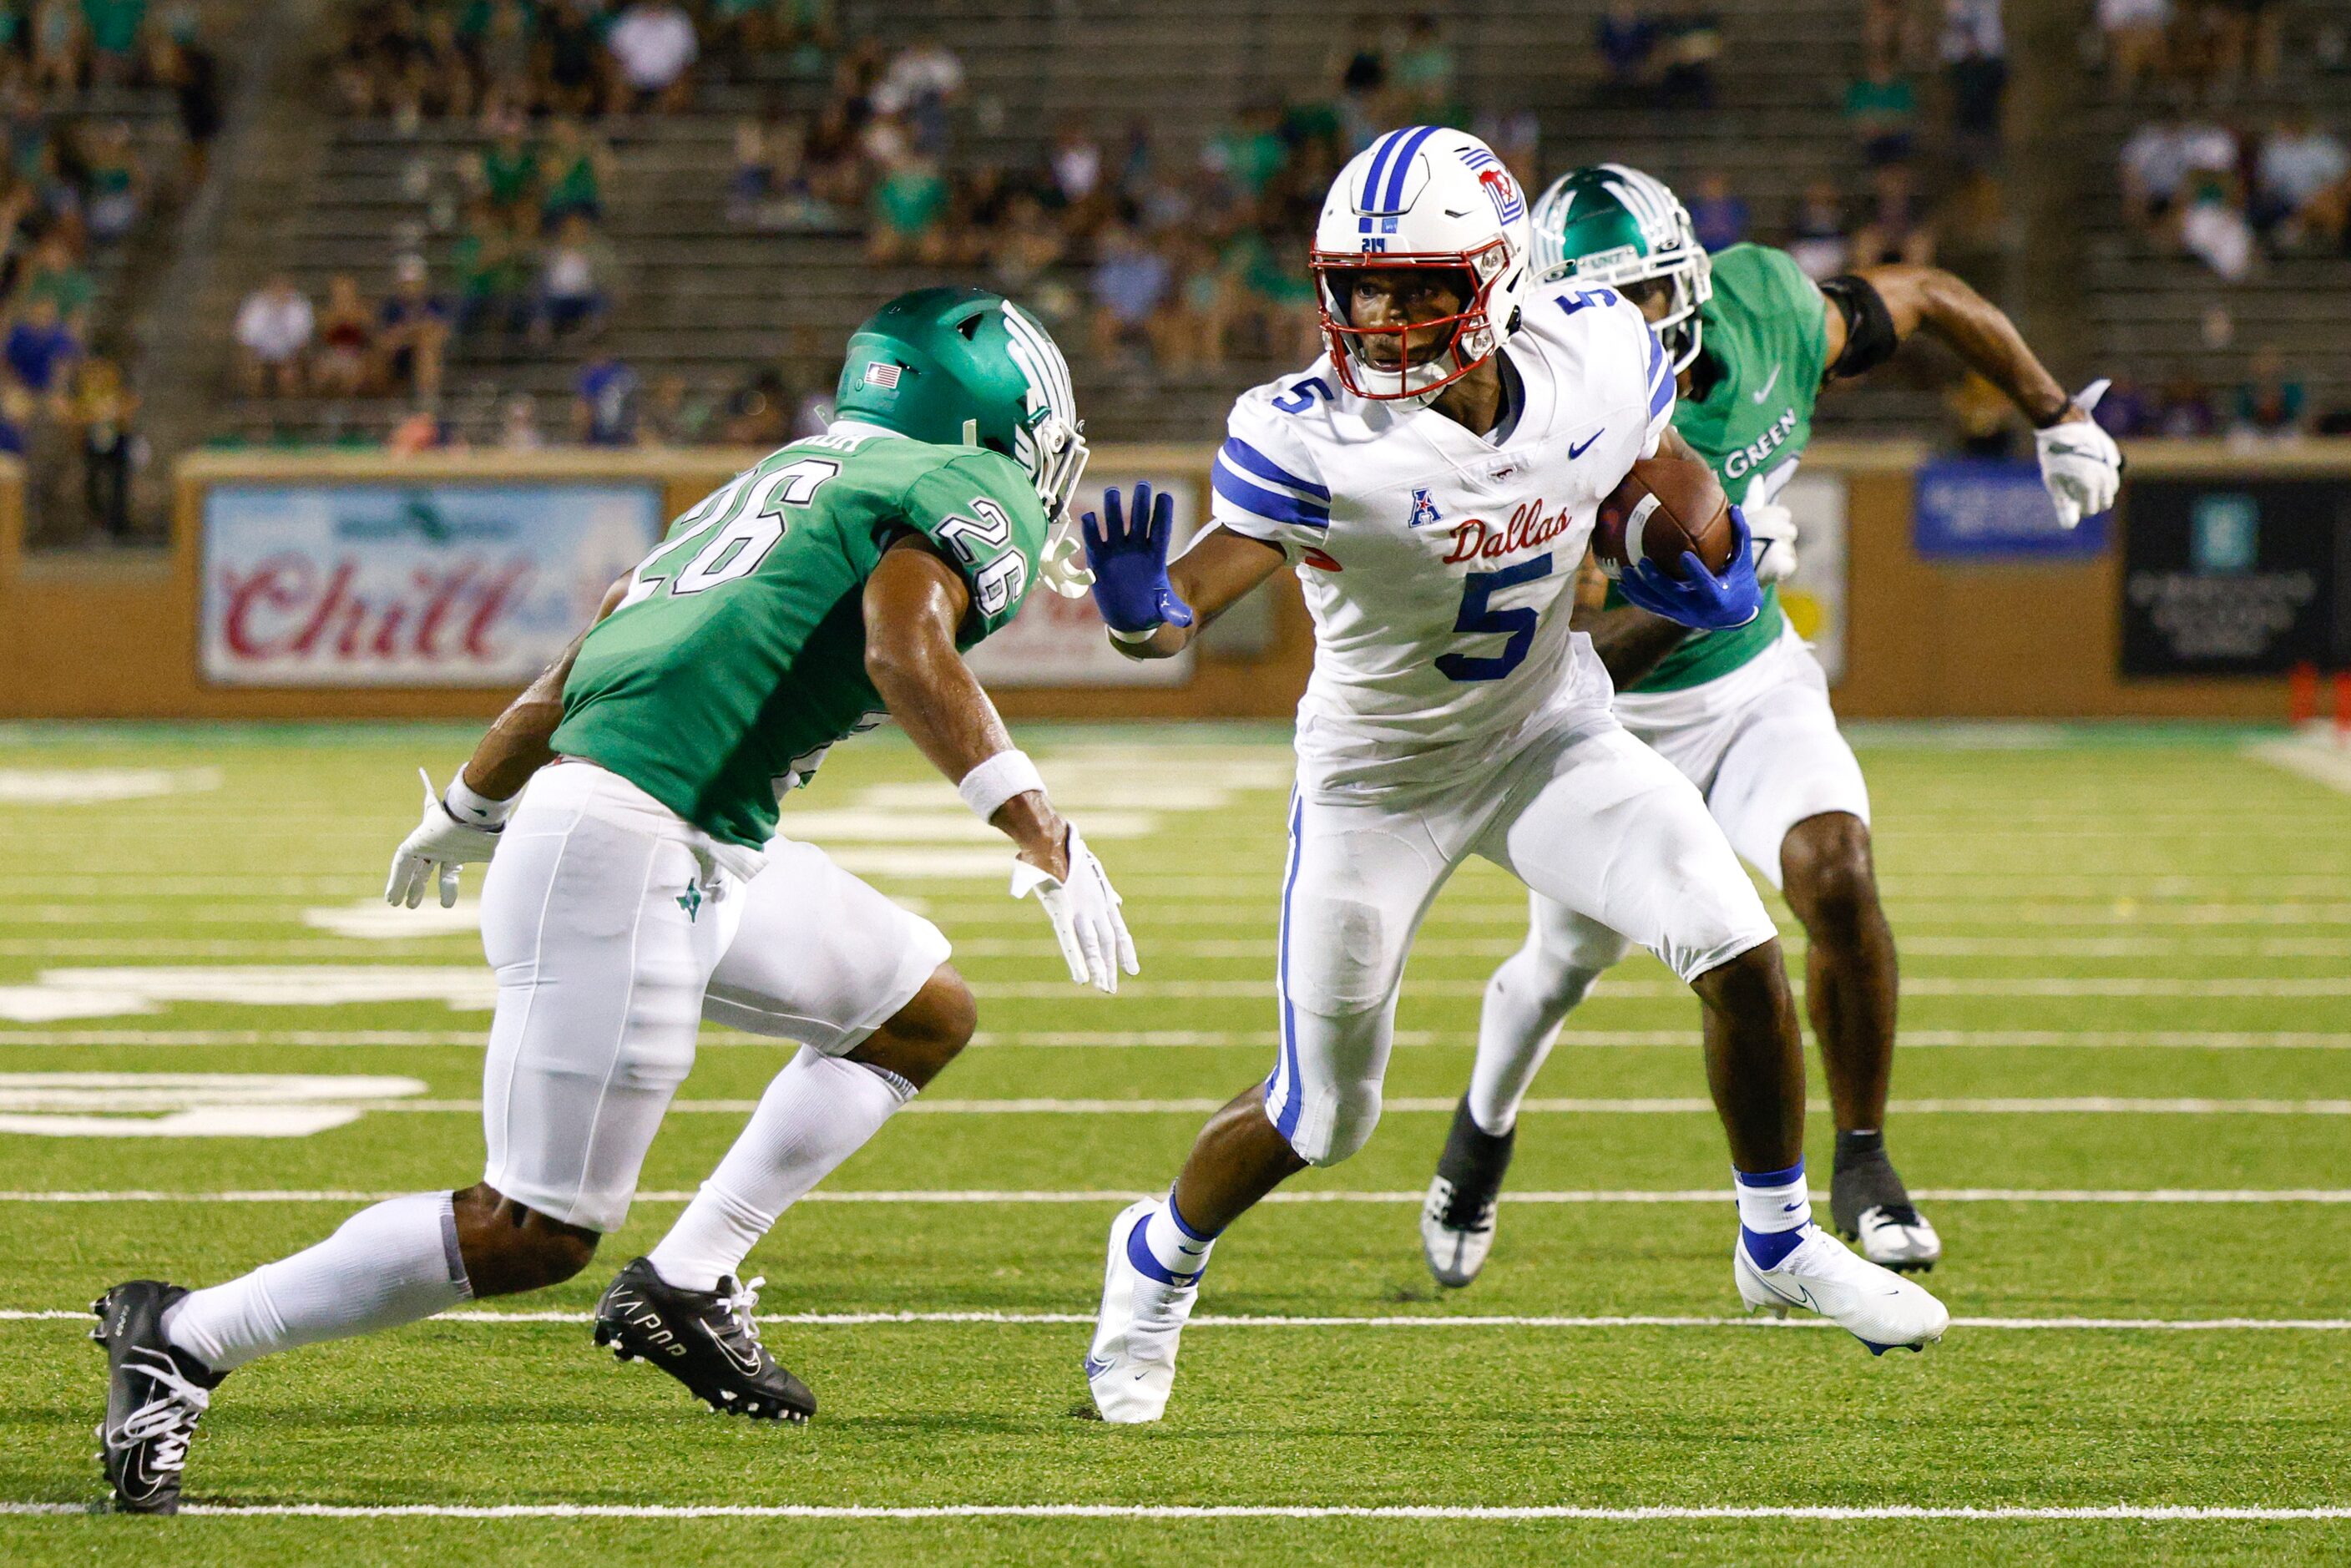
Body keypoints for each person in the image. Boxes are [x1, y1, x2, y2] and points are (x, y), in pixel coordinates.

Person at [91, 287, 1124, 1513]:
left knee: (918, 1010)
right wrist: (1036, 824)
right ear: (1004, 415)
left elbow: (578, 662)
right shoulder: (965, 487)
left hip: (676, 836)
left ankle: (688, 1279)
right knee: (532, 1228)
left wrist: (469, 805)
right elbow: (905, 649)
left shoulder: (786, 476)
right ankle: (188, 1335)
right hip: (635, 848)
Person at [1077, 128, 1950, 1428]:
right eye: (1359, 286)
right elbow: (1182, 609)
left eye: (1416, 286)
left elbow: (1662, 475)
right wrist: (1139, 613)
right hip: (1379, 783)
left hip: (1550, 732)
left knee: (1741, 952)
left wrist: (1703, 551)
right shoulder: (1308, 433)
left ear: (1493, 279)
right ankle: (1153, 1265)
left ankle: (1774, 1245)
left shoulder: (1596, 351)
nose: (1380, 316)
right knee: (1325, 1114)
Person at [1412, 164, 2124, 1290]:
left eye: (1650, 293)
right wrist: (1717, 577)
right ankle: (1479, 1133)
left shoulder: (1768, 307)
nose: (1636, 322)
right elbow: (1572, 656)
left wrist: (2056, 413)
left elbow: (1931, 294)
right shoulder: (1525, 423)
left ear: (1689, 278)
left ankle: (1862, 1159)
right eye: (1607, 301)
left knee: (1834, 873)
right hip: (1603, 726)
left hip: (1748, 692)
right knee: (1559, 963)